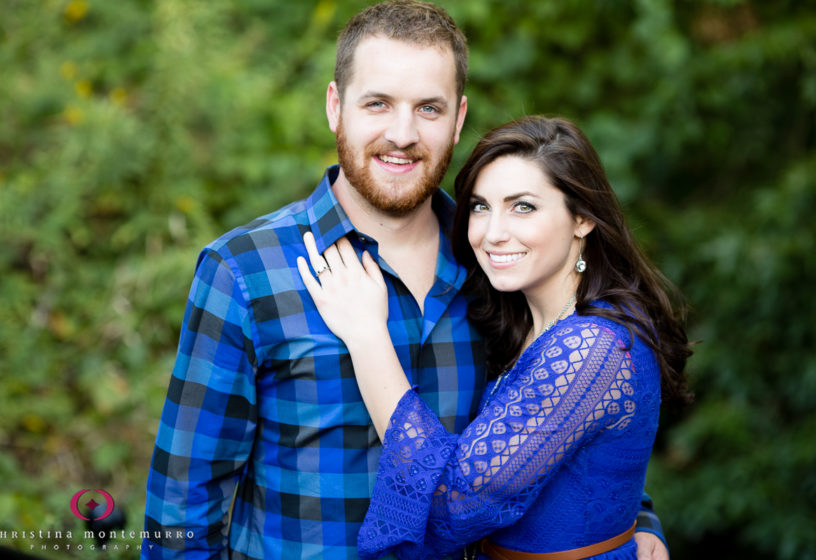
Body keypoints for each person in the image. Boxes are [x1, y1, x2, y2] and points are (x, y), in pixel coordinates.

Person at [142, 1, 670, 558]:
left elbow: (555, 422)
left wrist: (634, 517)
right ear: (335, 107)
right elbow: (181, 507)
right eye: (378, 103)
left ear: (458, 118)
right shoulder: (247, 271)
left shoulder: (495, 265)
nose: (402, 133)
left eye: (428, 108)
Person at [297, 115, 692, 560]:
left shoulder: (592, 347)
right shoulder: (524, 321)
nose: (493, 233)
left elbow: (456, 503)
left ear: (582, 218)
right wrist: (640, 519)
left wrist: (368, 337)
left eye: (523, 206)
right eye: (481, 207)